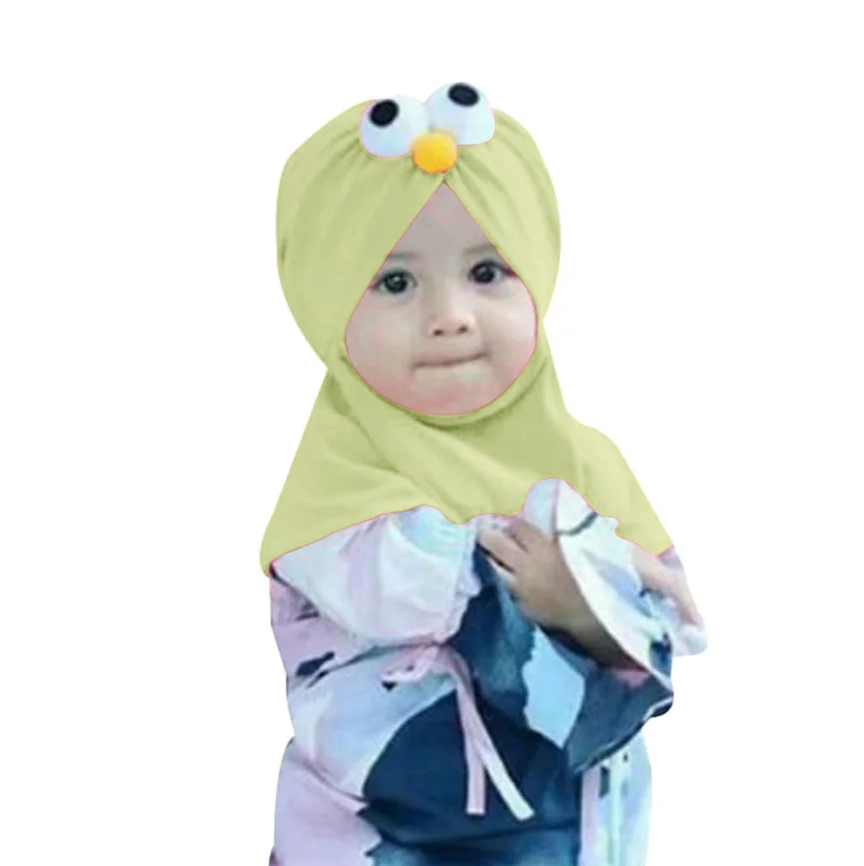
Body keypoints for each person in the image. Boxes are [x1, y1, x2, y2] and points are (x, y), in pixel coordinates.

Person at [260, 82, 708, 865]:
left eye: (488, 271)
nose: (450, 315)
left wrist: (581, 601)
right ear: (326, 306)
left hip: (572, 834)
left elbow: (671, 627)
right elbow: (399, 585)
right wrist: (578, 571)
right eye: (396, 282)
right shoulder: (339, 477)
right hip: (373, 836)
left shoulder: (585, 462)